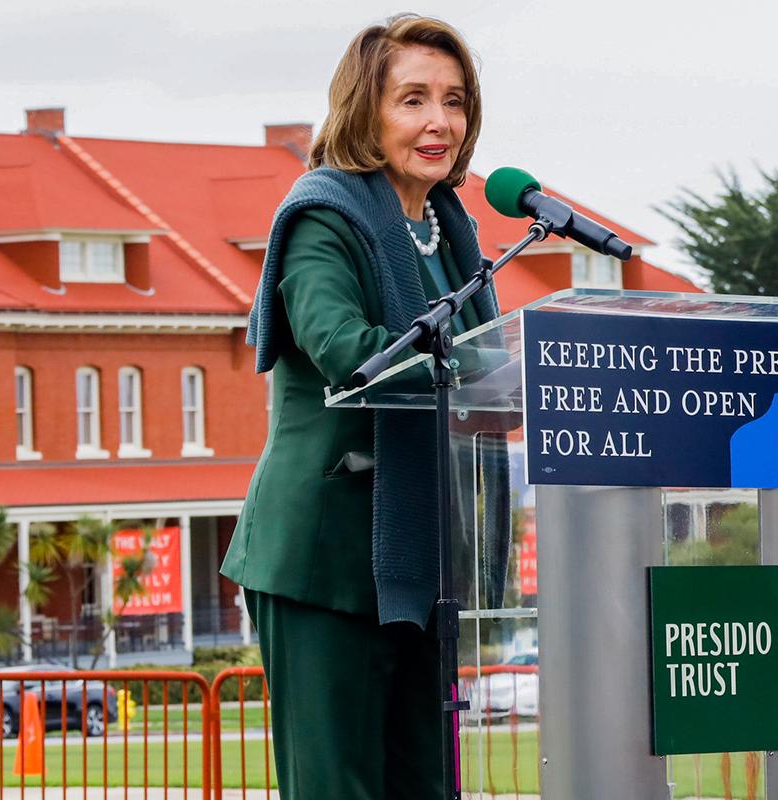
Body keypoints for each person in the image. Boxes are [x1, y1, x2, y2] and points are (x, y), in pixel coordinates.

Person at [220, 14, 500, 798]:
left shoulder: (453, 232)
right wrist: (482, 365)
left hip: (422, 563)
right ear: (364, 111)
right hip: (324, 560)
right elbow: (346, 347)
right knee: (337, 787)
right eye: (413, 99)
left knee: (426, 784)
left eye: (454, 100)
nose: (440, 121)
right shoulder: (323, 217)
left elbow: (492, 364)